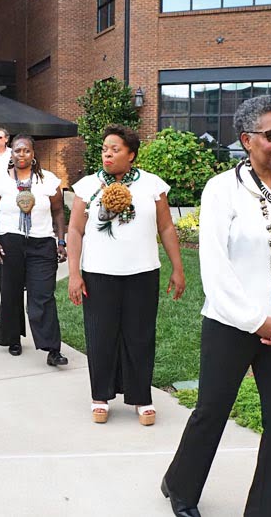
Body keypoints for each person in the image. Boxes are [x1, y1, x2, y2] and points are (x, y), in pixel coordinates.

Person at [163, 95, 271, 517]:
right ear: (247, 140)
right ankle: (180, 486)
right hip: (231, 325)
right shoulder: (223, 190)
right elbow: (215, 265)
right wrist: (255, 321)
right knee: (211, 412)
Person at [67, 124, 186, 426]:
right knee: (101, 336)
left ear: (131, 154)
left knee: (140, 336)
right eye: (105, 149)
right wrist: (74, 273)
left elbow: (166, 227)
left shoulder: (152, 185)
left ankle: (141, 397)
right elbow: (75, 231)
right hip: (98, 274)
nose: (107, 154)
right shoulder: (87, 186)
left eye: (115, 149)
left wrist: (178, 267)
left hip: (142, 273)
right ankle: (100, 397)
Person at [0, 134, 69, 366]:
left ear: (33, 154)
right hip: (9, 241)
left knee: (43, 295)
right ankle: (13, 338)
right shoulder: (0, 180)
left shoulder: (48, 180)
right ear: (11, 154)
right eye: (17, 150)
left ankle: (52, 349)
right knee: (11, 294)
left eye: (26, 150)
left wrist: (61, 241)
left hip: (42, 243)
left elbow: (58, 212)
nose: (21, 154)